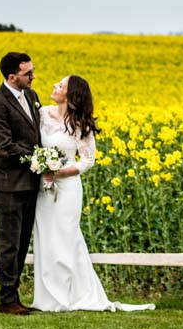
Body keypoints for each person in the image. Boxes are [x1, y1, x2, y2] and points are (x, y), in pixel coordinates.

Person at [32, 74, 154, 312]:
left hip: (67, 189)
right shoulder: (42, 115)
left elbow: (88, 160)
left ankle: (72, 295)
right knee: (46, 239)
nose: (55, 86)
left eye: (61, 85)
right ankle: (48, 298)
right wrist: (42, 167)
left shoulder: (81, 124)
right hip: (43, 188)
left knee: (67, 239)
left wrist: (59, 172)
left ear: (71, 94)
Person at [0, 51, 42, 315]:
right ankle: (7, 300)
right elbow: (4, 146)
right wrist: (38, 158)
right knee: (9, 243)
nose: (33, 76)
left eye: (32, 70)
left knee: (22, 243)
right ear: (11, 77)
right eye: (27, 73)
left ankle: (14, 297)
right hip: (7, 184)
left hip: (30, 182)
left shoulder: (32, 96)